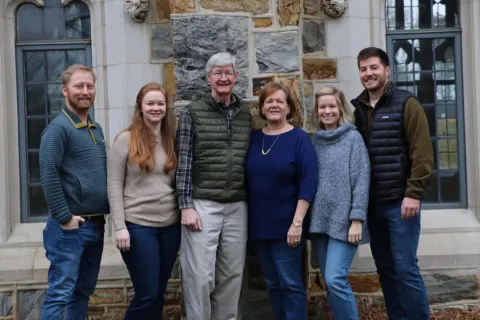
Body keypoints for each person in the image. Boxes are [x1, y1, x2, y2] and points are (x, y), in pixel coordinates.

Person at [351, 47, 434, 320]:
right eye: (363, 69)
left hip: (401, 204)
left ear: (387, 71)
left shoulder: (407, 104)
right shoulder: (359, 109)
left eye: (373, 67)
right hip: (374, 206)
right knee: (385, 269)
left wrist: (414, 193)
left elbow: (421, 153)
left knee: (405, 267)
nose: (368, 73)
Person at [176, 52, 252, 320]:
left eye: (228, 72)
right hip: (203, 203)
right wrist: (186, 206)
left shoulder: (245, 113)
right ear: (208, 77)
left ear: (236, 76)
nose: (223, 78)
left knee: (232, 275)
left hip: (237, 204)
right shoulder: (192, 113)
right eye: (217, 73)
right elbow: (183, 162)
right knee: (200, 276)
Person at [39, 64, 109, 319]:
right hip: (70, 228)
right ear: (65, 90)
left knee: (82, 292)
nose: (85, 91)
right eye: (79, 86)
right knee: (60, 294)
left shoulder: (95, 128)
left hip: (96, 224)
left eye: (89, 86)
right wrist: (65, 218)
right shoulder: (58, 129)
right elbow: (47, 174)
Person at [245, 81, 317, 320]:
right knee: (273, 283)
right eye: (269, 101)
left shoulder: (299, 139)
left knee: (290, 283)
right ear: (262, 109)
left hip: (288, 226)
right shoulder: (253, 139)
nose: (274, 105)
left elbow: (308, 183)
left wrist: (297, 223)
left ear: (289, 108)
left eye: (279, 101)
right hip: (259, 226)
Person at [107, 83, 180, 319]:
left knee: (159, 293)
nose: (156, 108)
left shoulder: (172, 140)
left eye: (160, 103)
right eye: (150, 103)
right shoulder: (125, 140)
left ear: (166, 108)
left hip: (170, 227)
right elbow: (114, 185)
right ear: (140, 107)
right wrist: (119, 227)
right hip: (138, 226)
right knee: (147, 293)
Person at [309, 86, 370, 320]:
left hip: (346, 222)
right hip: (320, 222)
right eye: (322, 107)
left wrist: (357, 219)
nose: (327, 111)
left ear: (340, 108)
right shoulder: (315, 141)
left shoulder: (352, 138)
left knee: (335, 278)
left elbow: (361, 180)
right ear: (316, 111)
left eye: (332, 106)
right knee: (329, 281)